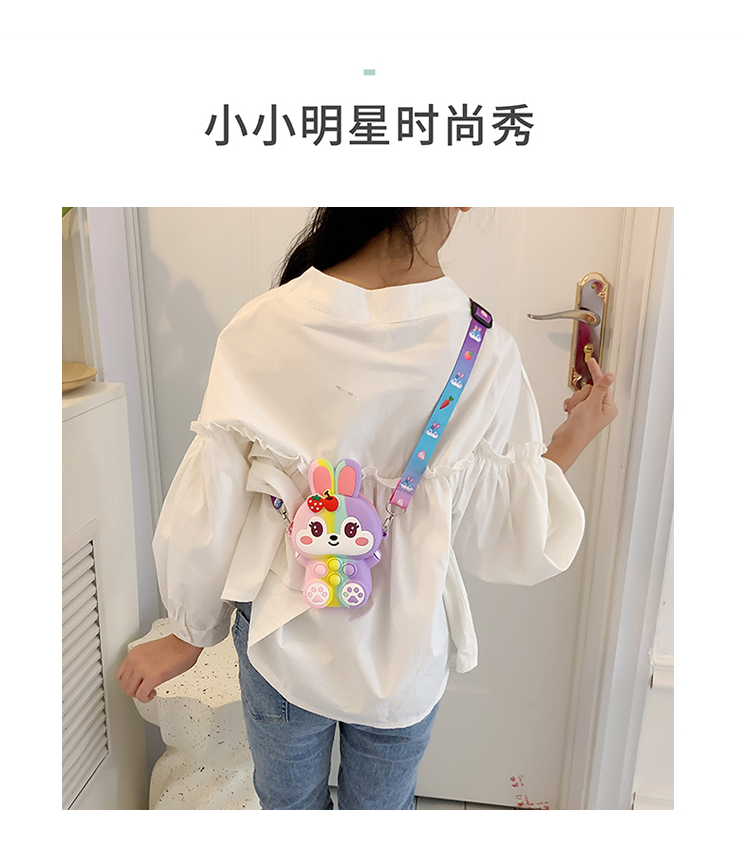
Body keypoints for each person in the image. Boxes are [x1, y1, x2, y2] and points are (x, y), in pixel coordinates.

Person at [117, 207, 618, 810]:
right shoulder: (483, 351)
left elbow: (214, 501)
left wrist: (190, 633)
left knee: (288, 809)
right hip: (404, 655)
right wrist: (569, 443)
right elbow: (501, 533)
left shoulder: (263, 325)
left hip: (281, 641)